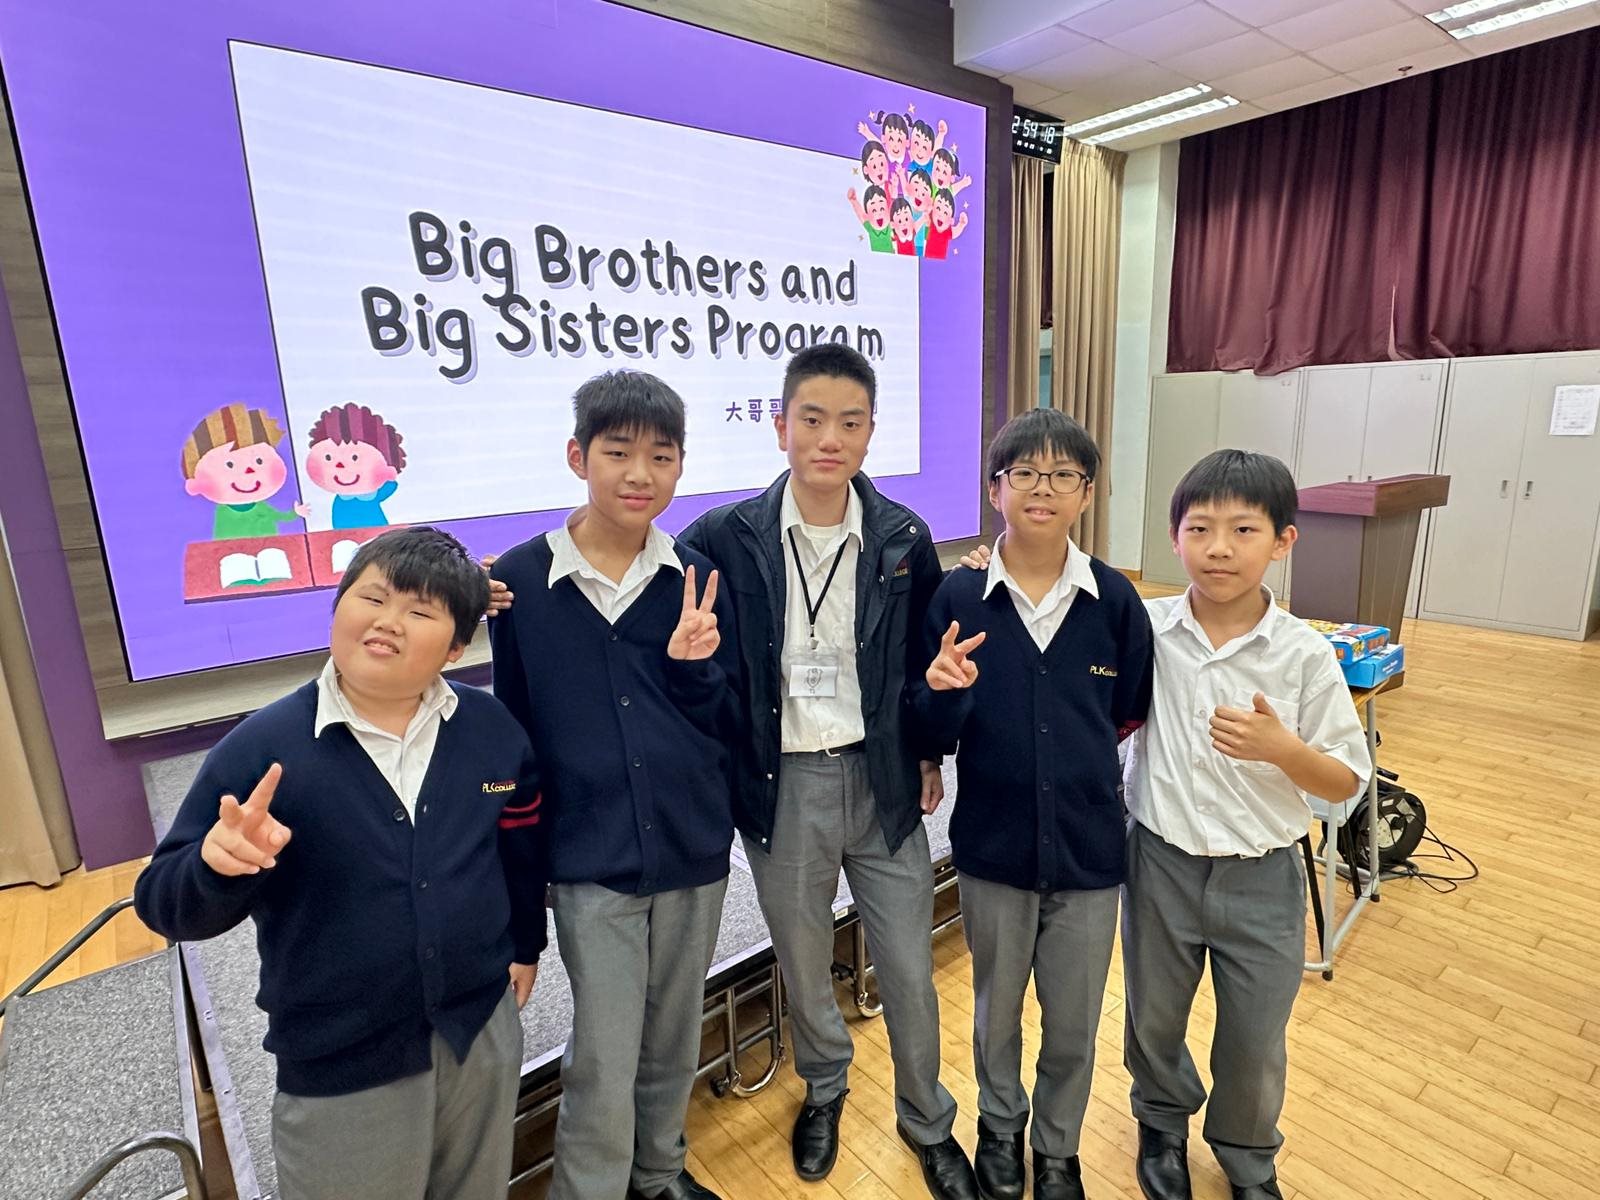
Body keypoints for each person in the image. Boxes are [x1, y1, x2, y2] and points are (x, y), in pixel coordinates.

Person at [135, 527, 544, 1200]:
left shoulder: (492, 731)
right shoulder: (264, 748)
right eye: (372, 598)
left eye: (419, 610)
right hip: (341, 1061)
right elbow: (162, 903)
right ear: (338, 607)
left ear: (457, 645)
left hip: (480, 1030)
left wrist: (526, 944)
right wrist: (214, 866)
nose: (388, 622)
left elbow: (517, 849)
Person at [677, 344, 979, 1200]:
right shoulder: (723, 538)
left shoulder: (902, 537)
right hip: (782, 787)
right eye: (811, 419)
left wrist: (928, 751)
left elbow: (924, 664)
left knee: (909, 969)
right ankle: (825, 1086)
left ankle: (928, 1120)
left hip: (881, 779)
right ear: (780, 425)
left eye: (850, 422)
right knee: (804, 963)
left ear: (871, 431)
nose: (829, 438)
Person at [487, 370, 740, 1200]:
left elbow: (724, 719)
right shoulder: (520, 584)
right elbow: (515, 735)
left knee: (673, 1034)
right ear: (578, 456)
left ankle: (658, 1172)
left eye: (661, 456)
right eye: (619, 452)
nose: (640, 474)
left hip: (691, 846)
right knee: (604, 1047)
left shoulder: (695, 577)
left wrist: (695, 670)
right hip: (589, 859)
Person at [914, 408, 1154, 1200]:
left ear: (1087, 492)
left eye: (1062, 476)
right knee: (996, 1010)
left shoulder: (1115, 601)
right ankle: (999, 1128)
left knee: (1074, 1021)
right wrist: (941, 697)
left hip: (1089, 852)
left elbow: (1127, 711)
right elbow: (931, 724)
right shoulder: (960, 593)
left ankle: (1057, 1151)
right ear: (995, 489)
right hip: (993, 847)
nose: (1042, 489)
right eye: (1024, 473)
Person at [1123, 449, 1371, 1200]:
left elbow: (1347, 781)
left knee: (1256, 1037)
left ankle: (1247, 1156)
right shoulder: (1145, 630)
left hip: (1263, 876)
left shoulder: (1304, 654)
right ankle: (1160, 1126)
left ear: (1283, 541)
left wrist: (1284, 750)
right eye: (1200, 529)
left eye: (1243, 530)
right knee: (1153, 1018)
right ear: (1175, 537)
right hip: (1160, 862)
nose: (1220, 549)